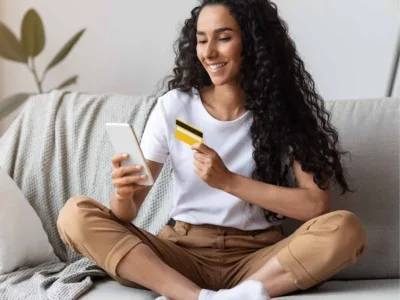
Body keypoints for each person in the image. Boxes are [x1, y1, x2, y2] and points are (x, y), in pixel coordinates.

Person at [57, 1, 367, 299]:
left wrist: (228, 181)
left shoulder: (285, 111)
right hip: (180, 255)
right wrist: (123, 196)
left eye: (224, 38)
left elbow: (316, 205)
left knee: (345, 229)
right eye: (202, 40)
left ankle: (234, 294)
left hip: (257, 258)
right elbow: (128, 212)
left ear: (253, 42)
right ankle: (197, 297)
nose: (209, 52)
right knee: (74, 215)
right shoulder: (175, 107)